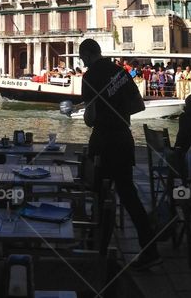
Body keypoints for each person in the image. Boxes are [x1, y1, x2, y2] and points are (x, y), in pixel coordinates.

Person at [79, 39, 160, 269]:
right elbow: (139, 106)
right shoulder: (121, 72)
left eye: (82, 57)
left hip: (103, 140)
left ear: (86, 54)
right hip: (124, 138)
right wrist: (119, 112)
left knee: (97, 192)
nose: (82, 61)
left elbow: (90, 118)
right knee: (128, 193)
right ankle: (149, 246)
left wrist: (100, 114)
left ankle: (98, 247)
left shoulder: (89, 77)